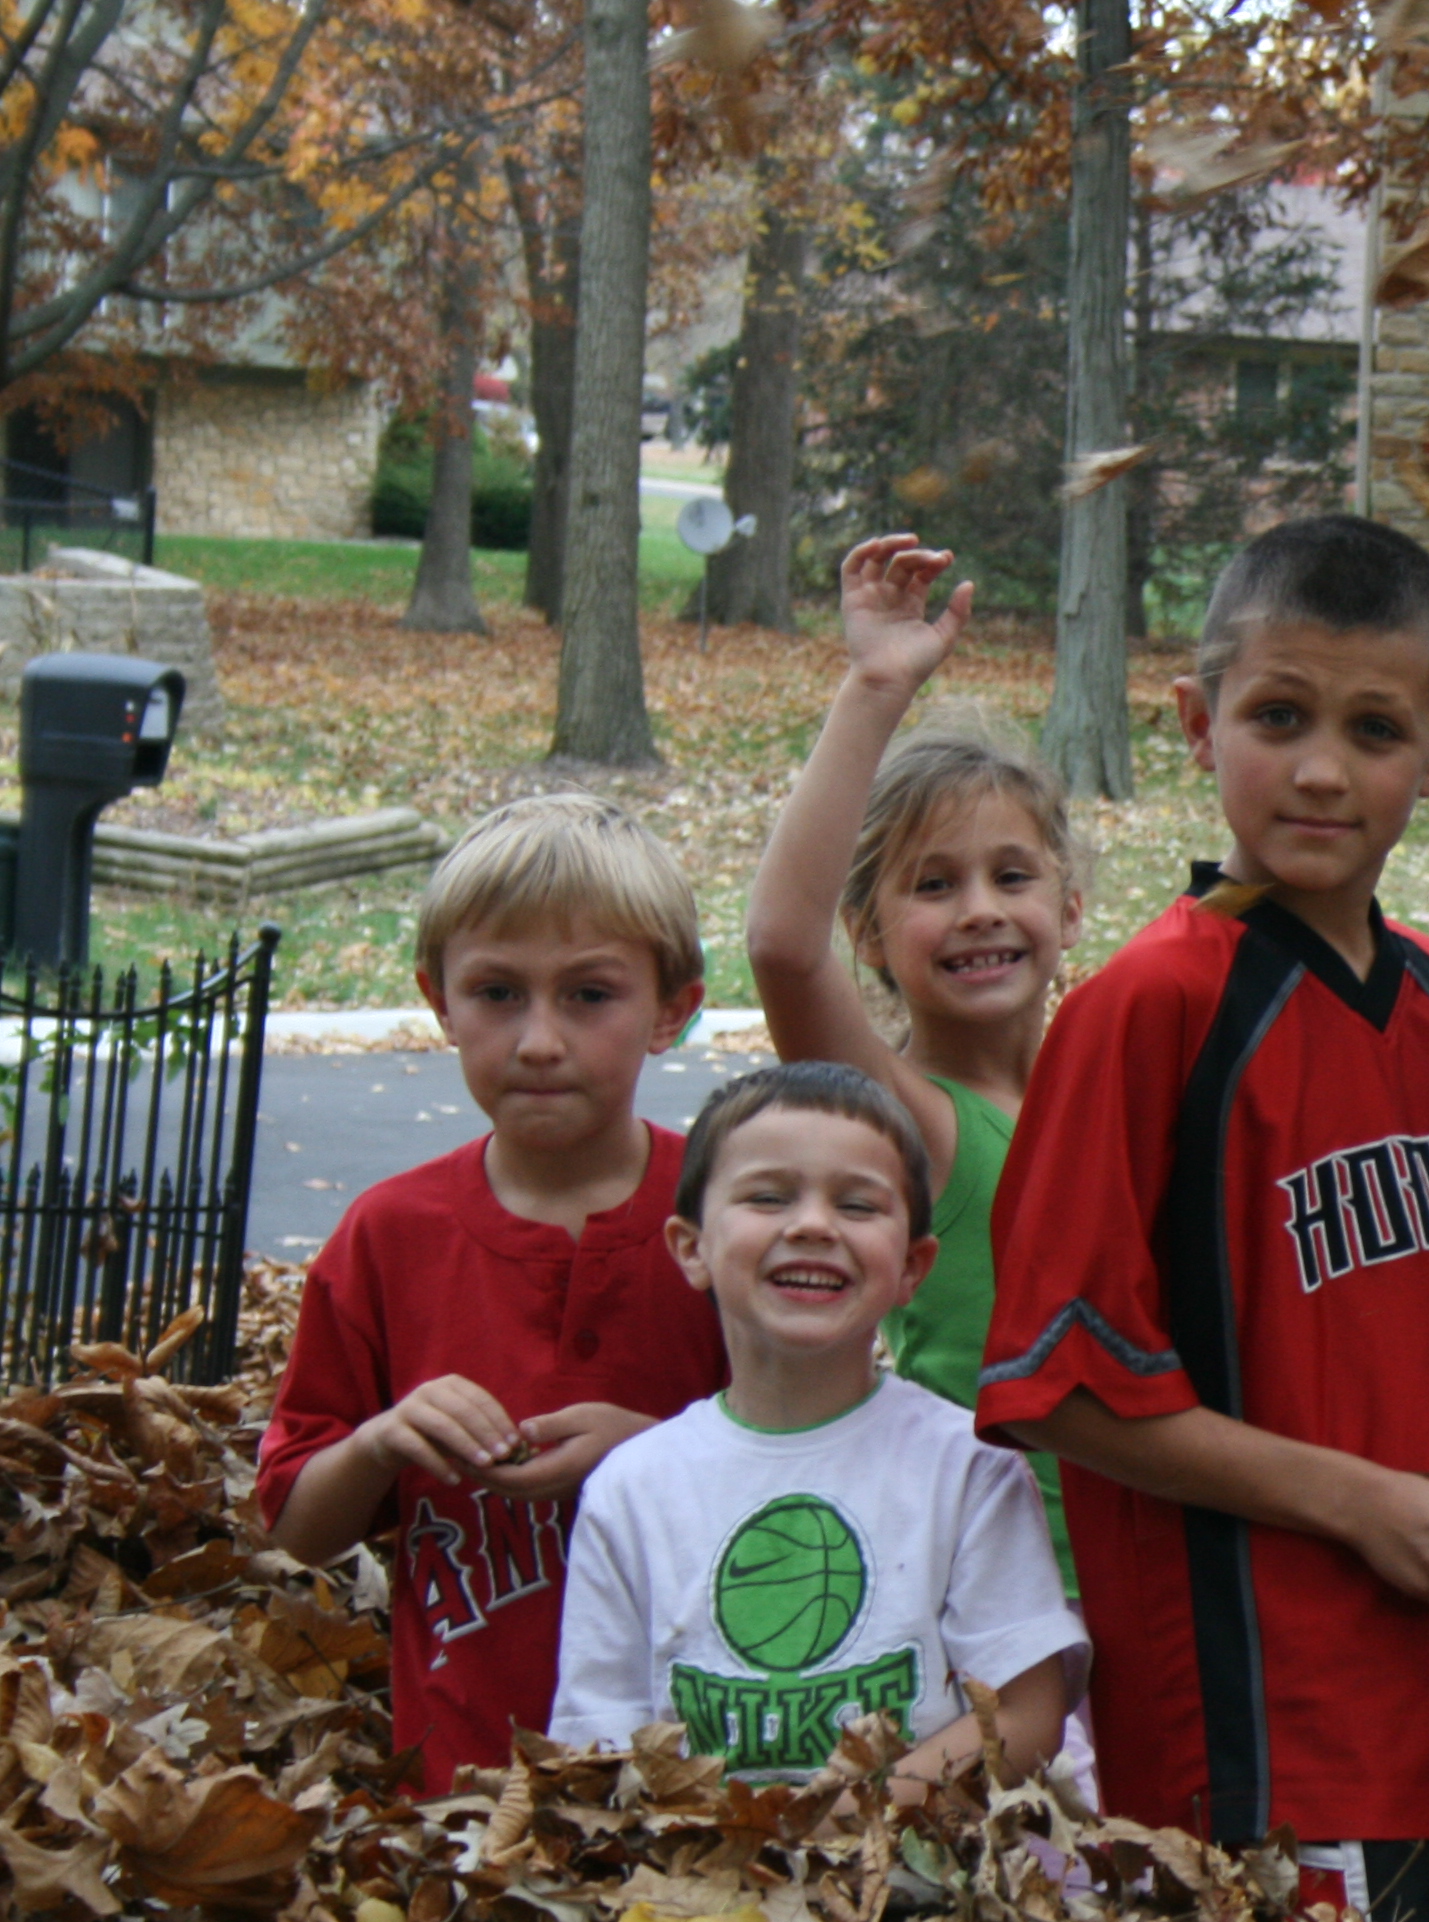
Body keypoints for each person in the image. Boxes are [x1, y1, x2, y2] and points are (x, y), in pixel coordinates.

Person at [979, 515, 1429, 1922]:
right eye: (1278, 717)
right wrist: (1365, 1503)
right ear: (1198, 723)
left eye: (1374, 730)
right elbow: (1061, 1384)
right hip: (1266, 1742)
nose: (1322, 769)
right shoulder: (1149, 1009)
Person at [260, 795, 731, 1789]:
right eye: (498, 993)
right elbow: (299, 1529)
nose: (539, 1040)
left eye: (590, 995)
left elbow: (823, 1481)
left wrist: (655, 1454)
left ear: (673, 1009)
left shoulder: (737, 1218)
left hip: (705, 1779)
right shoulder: (389, 1236)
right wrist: (381, 1442)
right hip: (462, 1786)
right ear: (439, 1001)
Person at [553, 1062, 1082, 1798]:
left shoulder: (967, 1466)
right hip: (704, 1860)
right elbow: (599, 1740)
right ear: (691, 1247)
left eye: (858, 1205)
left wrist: (833, 1826)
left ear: (913, 1266)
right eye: (767, 1197)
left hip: (935, 1852)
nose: (812, 1225)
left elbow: (1025, 1713)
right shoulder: (630, 1488)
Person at [741, 533, 1085, 1579]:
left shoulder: (1107, 1082)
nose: (980, 910)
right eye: (934, 886)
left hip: (1163, 1573)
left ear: (1070, 906)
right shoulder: (911, 1120)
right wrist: (875, 688)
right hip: (1004, 1590)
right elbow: (782, 947)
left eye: (1011, 876)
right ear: (869, 933)